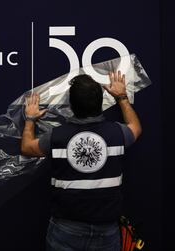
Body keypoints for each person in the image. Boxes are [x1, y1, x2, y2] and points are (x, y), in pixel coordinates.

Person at [21, 71, 142, 251]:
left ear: (71, 105)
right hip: (106, 229)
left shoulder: (57, 136)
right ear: (101, 102)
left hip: (66, 229)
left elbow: (27, 147)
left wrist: (30, 119)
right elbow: (136, 128)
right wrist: (122, 97)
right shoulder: (117, 133)